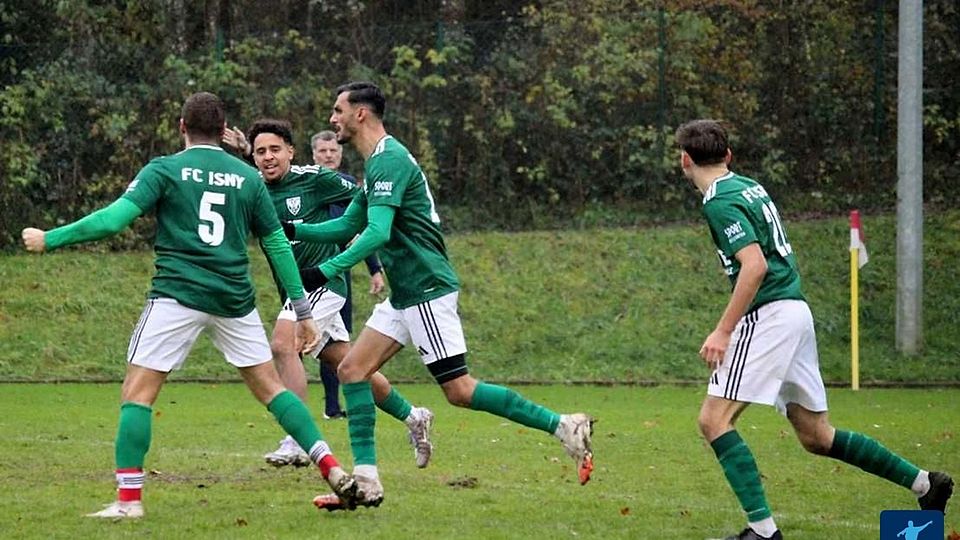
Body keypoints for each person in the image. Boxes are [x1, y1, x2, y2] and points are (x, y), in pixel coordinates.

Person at [20, 92, 363, 518]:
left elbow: (112, 220)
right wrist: (303, 310)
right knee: (271, 389)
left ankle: (128, 503)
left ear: (182, 127)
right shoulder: (248, 178)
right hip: (233, 298)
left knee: (138, 393)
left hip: (178, 294)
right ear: (223, 132)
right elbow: (277, 244)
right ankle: (332, 469)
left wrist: (50, 238)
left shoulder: (164, 169)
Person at [284, 81, 595, 510]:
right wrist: (291, 228)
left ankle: (563, 425)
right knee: (353, 370)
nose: (332, 118)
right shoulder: (378, 163)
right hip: (406, 293)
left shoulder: (389, 160)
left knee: (460, 390)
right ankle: (367, 482)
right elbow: (346, 226)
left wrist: (326, 269)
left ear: (360, 113)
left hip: (426, 290)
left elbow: (378, 232)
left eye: (338, 110)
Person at [675, 119, 954, 540]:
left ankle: (763, 532)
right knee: (816, 436)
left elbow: (755, 266)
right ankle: (925, 484)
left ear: (685, 160)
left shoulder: (719, 201)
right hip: (794, 312)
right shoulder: (749, 186)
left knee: (714, 420)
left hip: (770, 316)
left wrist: (723, 330)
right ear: (728, 155)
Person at [243, 118, 434, 471]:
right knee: (349, 365)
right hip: (293, 290)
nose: (268, 157)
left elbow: (364, 195)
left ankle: (298, 440)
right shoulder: (252, 190)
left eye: (275, 149)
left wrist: (368, 231)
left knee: (283, 345)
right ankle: (413, 416)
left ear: (291, 151)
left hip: (322, 285)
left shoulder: (314, 179)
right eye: (260, 151)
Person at [311, 129, 386, 420]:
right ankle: (329, 406)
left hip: (339, 274)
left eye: (333, 151)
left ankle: (336, 407)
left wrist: (375, 269)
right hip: (310, 271)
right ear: (314, 154)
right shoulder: (305, 183)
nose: (328, 155)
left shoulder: (347, 187)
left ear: (340, 154)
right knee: (310, 342)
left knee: (338, 342)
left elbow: (363, 230)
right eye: (323, 151)